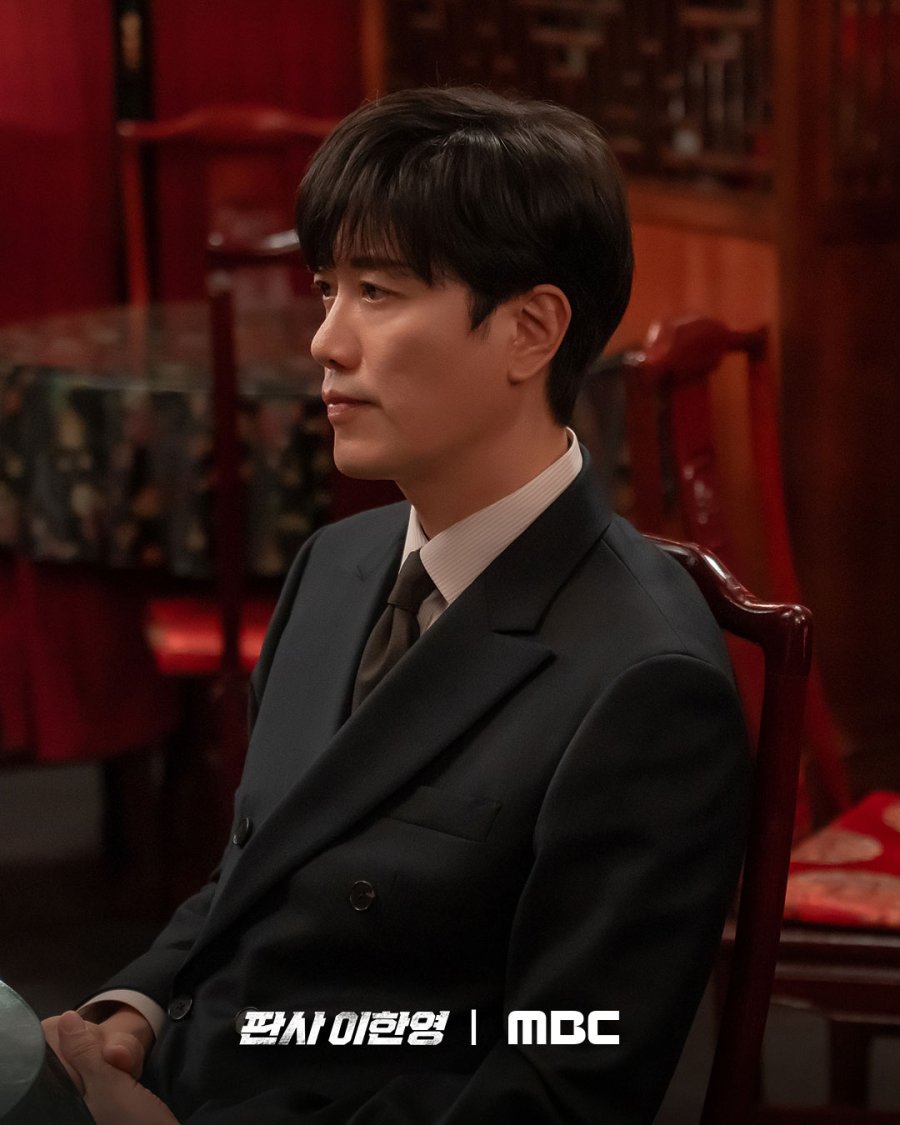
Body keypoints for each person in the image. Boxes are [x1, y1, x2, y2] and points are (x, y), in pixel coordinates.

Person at [44, 86, 749, 1124]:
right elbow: (255, 871)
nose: (326, 341)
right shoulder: (336, 562)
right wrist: (134, 1008)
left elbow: (559, 1079)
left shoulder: (644, 681)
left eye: (376, 291)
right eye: (327, 288)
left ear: (530, 330)